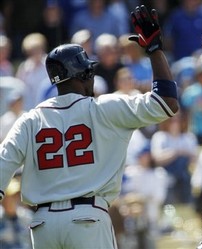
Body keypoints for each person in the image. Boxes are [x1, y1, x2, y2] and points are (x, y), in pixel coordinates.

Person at [0, 5, 178, 249]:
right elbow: (167, 103)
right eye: (89, 71)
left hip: (42, 224)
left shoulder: (29, 120)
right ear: (82, 75)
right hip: (88, 219)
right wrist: (155, 50)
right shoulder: (105, 108)